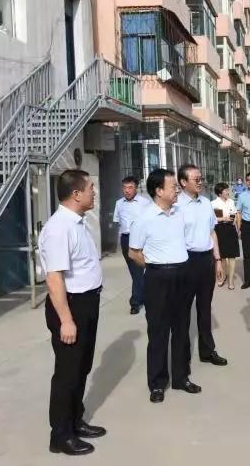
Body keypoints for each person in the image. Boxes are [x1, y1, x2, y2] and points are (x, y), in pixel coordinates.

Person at [39, 170, 106, 456]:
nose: (94, 192)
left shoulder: (77, 223)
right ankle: (60, 435)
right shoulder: (59, 228)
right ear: (76, 194)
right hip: (70, 307)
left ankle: (75, 421)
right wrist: (66, 320)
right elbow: (54, 278)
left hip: (87, 302)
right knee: (67, 373)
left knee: (82, 367)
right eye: (90, 187)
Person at [128, 169, 199, 401]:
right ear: (159, 191)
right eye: (172, 187)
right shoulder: (144, 218)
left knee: (182, 329)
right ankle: (157, 384)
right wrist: (154, 266)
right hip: (157, 278)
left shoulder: (179, 213)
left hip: (182, 275)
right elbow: (134, 252)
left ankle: (181, 377)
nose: (177, 190)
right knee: (158, 331)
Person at [176, 164, 228, 367]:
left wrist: (218, 260)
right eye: (195, 179)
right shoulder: (176, 205)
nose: (200, 182)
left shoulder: (206, 203)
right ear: (183, 182)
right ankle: (182, 357)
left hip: (206, 260)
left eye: (201, 178)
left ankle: (207, 351)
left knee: (205, 308)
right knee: (182, 310)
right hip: (185, 261)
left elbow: (212, 232)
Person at [112, 176, 151, 315]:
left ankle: (135, 302)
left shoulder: (145, 203)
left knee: (138, 270)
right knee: (134, 271)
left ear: (136, 188)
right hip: (126, 239)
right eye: (124, 188)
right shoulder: (119, 203)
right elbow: (117, 221)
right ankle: (144, 295)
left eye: (130, 187)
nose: (127, 191)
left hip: (140, 239)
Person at [212, 182, 240, 290]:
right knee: (222, 256)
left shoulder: (231, 202)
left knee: (232, 256)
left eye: (228, 190)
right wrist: (224, 218)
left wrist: (237, 228)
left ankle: (231, 280)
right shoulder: (215, 203)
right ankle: (223, 276)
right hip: (220, 230)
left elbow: (234, 215)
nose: (228, 192)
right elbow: (217, 219)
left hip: (231, 229)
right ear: (220, 193)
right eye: (226, 190)